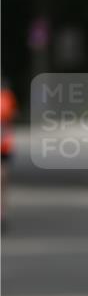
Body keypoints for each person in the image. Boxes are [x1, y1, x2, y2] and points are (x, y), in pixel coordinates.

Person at [1, 80, 18, 229]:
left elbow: (13, 115)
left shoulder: (7, 96)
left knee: (3, 179)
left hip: (4, 146)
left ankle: (2, 213)